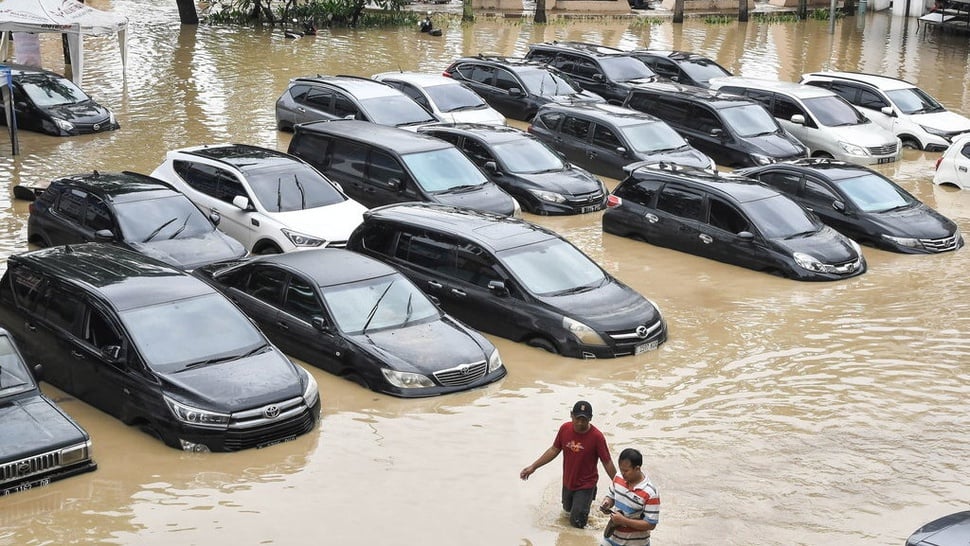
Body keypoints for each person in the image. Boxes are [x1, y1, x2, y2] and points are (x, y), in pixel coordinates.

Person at [520, 401, 618, 529]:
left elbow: (607, 462)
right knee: (566, 513)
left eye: (584, 420)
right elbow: (554, 450)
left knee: (577, 523)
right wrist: (533, 467)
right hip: (568, 482)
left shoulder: (597, 437)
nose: (580, 423)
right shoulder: (564, 429)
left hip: (586, 485)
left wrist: (619, 484)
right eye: (577, 419)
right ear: (571, 415)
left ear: (590, 419)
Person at [598, 448, 660, 546]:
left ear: (637, 469)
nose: (622, 473)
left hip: (636, 543)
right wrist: (607, 503)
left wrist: (624, 521)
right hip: (610, 539)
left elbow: (651, 524)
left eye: (626, 471)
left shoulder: (650, 493)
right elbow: (611, 496)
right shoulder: (618, 477)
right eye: (621, 469)